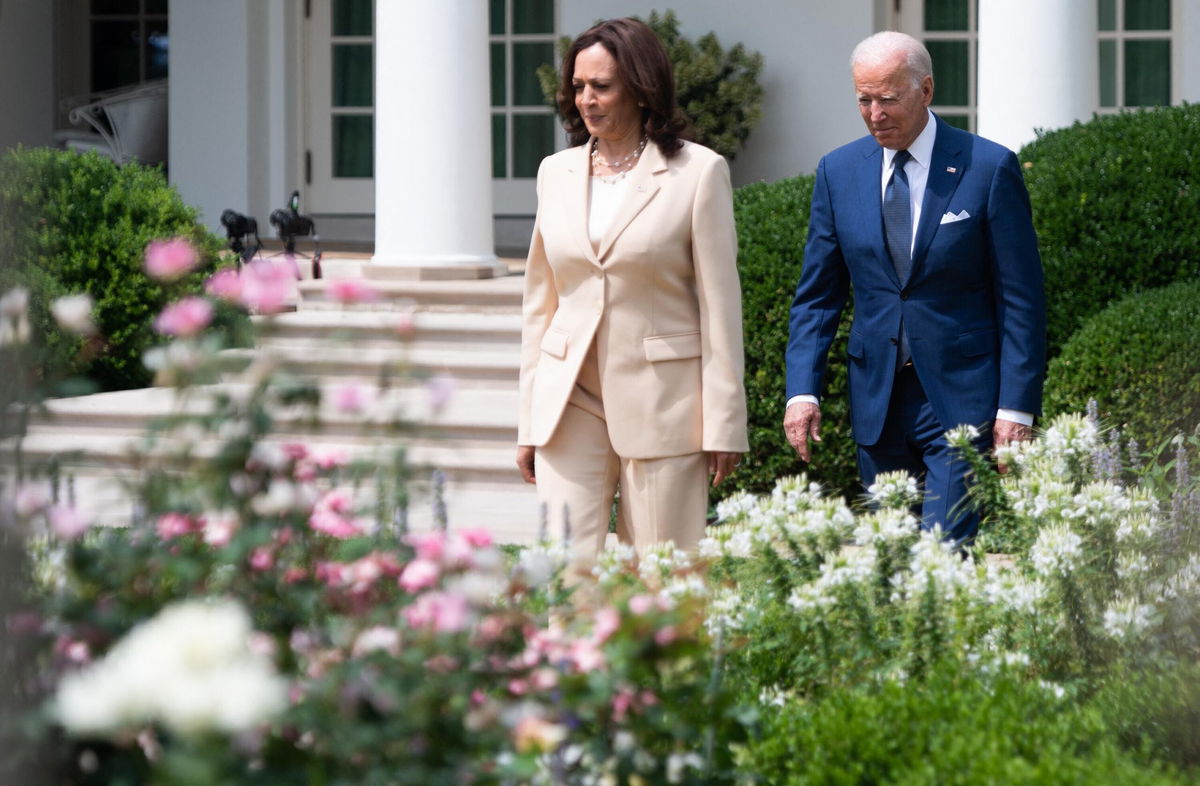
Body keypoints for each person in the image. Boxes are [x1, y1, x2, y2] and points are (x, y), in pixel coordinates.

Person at [784, 31, 1045, 546]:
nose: (874, 113)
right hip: (877, 400)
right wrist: (802, 391)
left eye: (888, 98)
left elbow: (1021, 300)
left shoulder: (988, 168)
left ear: (924, 90)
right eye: (864, 99)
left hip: (962, 399)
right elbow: (818, 296)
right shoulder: (838, 172)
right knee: (890, 557)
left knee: (941, 556)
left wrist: (1015, 409)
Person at [516, 17, 748, 572]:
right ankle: (571, 662)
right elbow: (539, 303)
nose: (586, 100)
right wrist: (529, 419)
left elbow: (720, 306)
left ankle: (667, 665)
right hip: (568, 398)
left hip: (662, 401)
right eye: (578, 87)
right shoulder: (556, 172)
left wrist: (724, 423)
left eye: (602, 86)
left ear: (642, 89)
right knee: (566, 568)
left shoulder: (698, 172)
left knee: (665, 576)